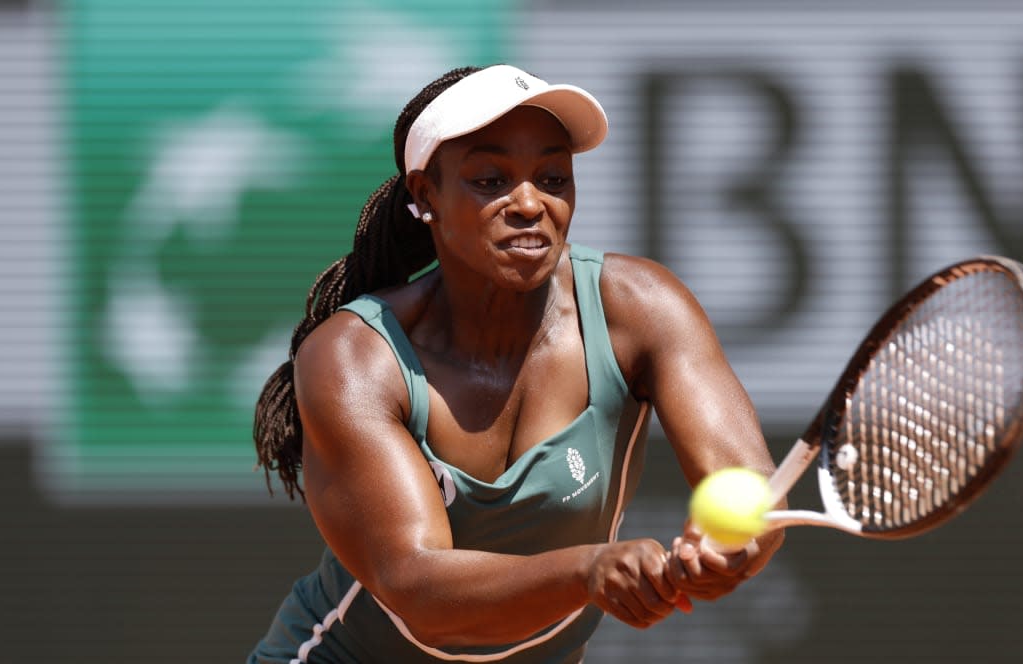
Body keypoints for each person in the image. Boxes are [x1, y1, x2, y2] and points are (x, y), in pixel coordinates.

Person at [248, 64, 783, 664]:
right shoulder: (354, 357)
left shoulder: (643, 310)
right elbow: (418, 586)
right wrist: (589, 569)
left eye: (553, 176)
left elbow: (751, 488)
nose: (530, 203)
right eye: (490, 179)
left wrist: (734, 549)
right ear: (427, 196)